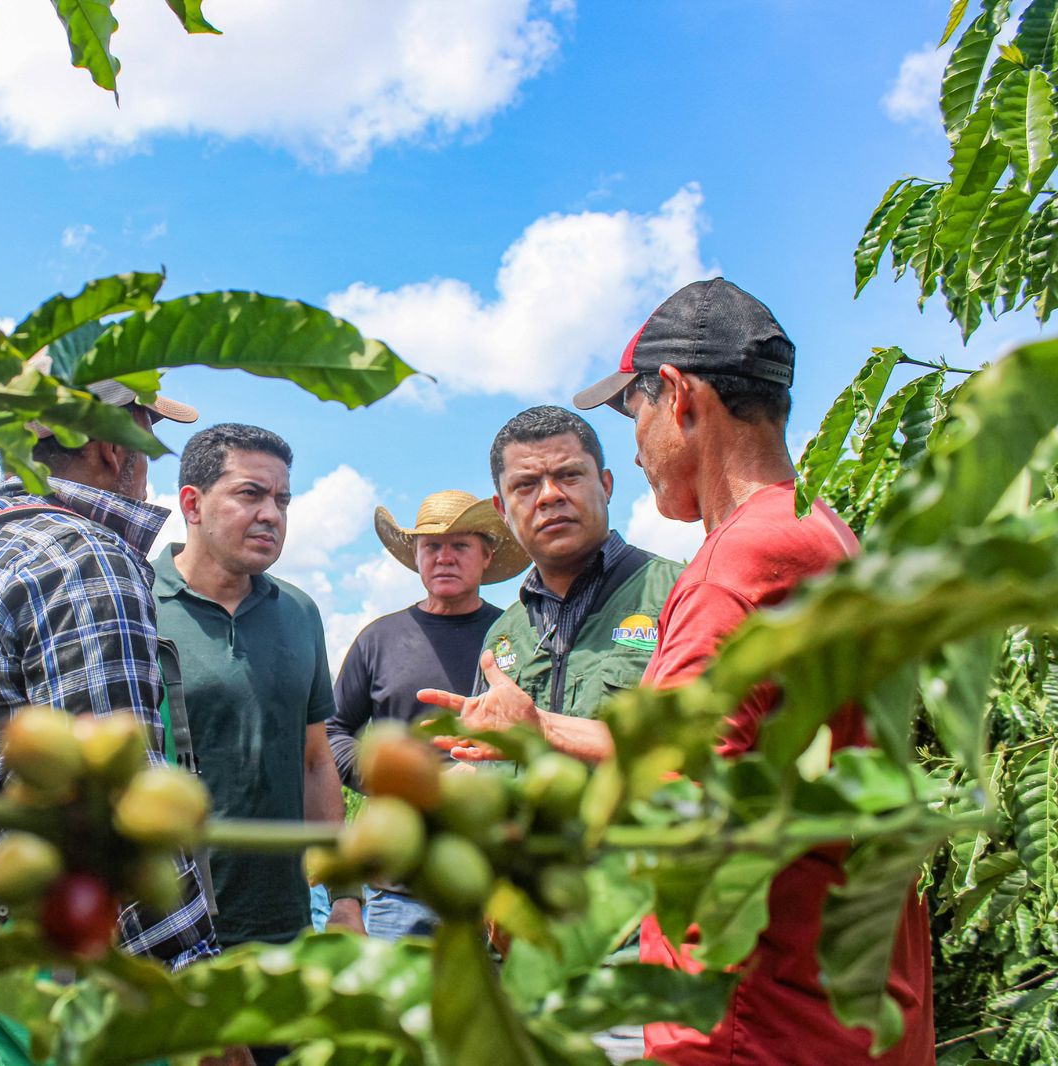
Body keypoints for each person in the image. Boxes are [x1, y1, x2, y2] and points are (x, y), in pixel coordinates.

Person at [428, 279, 935, 1062]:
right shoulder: (815, 532)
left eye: (636, 419)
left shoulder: (737, 563)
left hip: (749, 1018)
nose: (636, 447)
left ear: (678, 396)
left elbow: (683, 791)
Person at [0, 363, 218, 970]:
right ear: (112, 447)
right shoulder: (83, 559)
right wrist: (193, 997)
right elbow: (120, 816)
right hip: (41, 960)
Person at [152, 424, 366, 960]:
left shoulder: (298, 612)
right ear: (193, 504)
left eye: (282, 500)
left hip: (288, 928)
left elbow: (316, 761)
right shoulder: (136, 605)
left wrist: (345, 898)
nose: (271, 514)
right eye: (250, 494)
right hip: (168, 930)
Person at [324, 489, 527, 938]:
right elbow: (333, 729)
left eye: (460, 546)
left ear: (487, 556)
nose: (444, 558)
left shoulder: (513, 636)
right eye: (432, 547)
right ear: (415, 556)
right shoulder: (379, 638)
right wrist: (398, 780)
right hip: (399, 885)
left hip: (495, 881)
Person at [464, 407, 684, 755]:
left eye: (569, 475)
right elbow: (484, 764)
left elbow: (715, 745)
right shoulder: (502, 636)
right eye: (525, 485)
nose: (550, 495)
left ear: (606, 485)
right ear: (502, 510)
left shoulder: (680, 593)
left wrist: (546, 728)